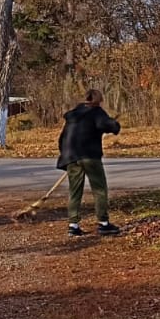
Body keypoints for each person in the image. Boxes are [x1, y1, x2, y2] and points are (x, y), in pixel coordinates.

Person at [57, 88, 122, 236]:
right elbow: (108, 126)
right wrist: (115, 124)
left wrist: (66, 156)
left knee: (74, 191)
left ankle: (73, 225)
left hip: (71, 157)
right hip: (90, 156)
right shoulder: (97, 112)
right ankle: (103, 224)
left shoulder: (73, 115)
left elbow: (62, 139)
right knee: (99, 189)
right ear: (98, 100)